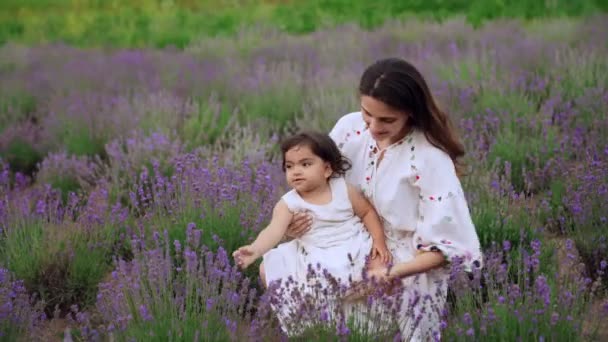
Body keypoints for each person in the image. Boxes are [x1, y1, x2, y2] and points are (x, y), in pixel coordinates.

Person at [277, 58, 483, 341]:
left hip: (403, 264)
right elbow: (317, 184)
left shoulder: (429, 159)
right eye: (367, 114)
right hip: (348, 239)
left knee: (345, 309)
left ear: (411, 113)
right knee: (274, 267)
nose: (373, 127)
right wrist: (295, 223)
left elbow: (446, 248)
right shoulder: (350, 128)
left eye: (387, 120)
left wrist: (387, 273)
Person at [232, 131, 392, 333]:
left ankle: (359, 326)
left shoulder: (343, 189)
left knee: (368, 282)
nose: (296, 171)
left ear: (326, 169)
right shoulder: (289, 203)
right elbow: (273, 230)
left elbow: (367, 212)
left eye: (305, 164)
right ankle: (311, 325)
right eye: (289, 166)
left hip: (353, 246)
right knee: (271, 266)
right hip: (315, 253)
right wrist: (254, 250)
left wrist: (379, 242)